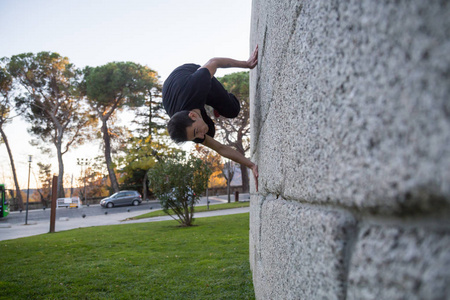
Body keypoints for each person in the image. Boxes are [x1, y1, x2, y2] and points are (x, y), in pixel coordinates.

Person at [162, 46, 259, 191]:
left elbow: (215, 62)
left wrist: (247, 64)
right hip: (174, 96)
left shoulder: (197, 84)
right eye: (196, 136)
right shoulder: (189, 129)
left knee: (232, 110)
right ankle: (213, 105)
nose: (201, 136)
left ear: (193, 115)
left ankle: (217, 103)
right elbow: (220, 148)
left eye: (197, 132)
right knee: (210, 132)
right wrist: (251, 165)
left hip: (187, 74)